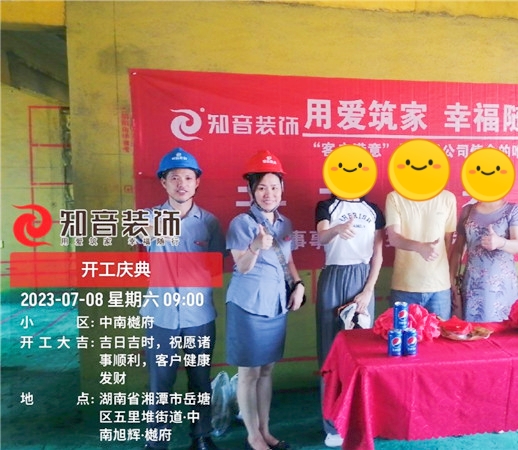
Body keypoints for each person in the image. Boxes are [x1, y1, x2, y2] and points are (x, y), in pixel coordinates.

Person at [141, 148, 225, 450]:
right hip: (160, 316)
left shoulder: (210, 223)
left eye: (188, 178)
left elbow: (216, 266)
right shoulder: (148, 218)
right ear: (163, 182)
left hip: (198, 316)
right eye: (174, 178)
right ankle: (157, 441)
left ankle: (201, 436)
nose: (182, 184)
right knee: (160, 382)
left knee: (200, 380)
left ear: (197, 182)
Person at [225, 150, 304, 450]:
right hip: (247, 306)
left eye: (274, 187)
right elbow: (243, 266)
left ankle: (265, 430)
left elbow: (288, 260)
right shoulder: (241, 223)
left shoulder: (285, 223)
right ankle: (252, 436)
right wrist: (256, 245)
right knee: (249, 372)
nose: (268, 193)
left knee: (267, 370)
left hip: (275, 305)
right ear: (251, 190)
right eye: (261, 187)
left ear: (282, 189)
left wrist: (298, 285)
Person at [314, 195, 384, 447]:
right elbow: (322, 236)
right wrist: (337, 229)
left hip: (363, 278)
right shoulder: (326, 206)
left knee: (362, 354)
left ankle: (360, 420)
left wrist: (368, 291)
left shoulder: (372, 208)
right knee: (330, 352)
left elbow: (378, 254)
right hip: (333, 276)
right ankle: (332, 424)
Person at [385, 189, 457, 319]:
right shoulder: (395, 197)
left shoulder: (447, 197)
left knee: (440, 331)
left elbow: (448, 240)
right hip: (405, 285)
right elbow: (394, 238)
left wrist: (448, 277)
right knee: (402, 332)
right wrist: (420, 247)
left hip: (439, 288)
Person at [449, 199, 518, 322]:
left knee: (503, 330)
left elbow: (517, 246)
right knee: (473, 330)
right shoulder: (468, 210)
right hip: (472, 285)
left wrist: (500, 242)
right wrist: (451, 279)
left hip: (501, 287)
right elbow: (458, 249)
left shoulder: (513, 209)